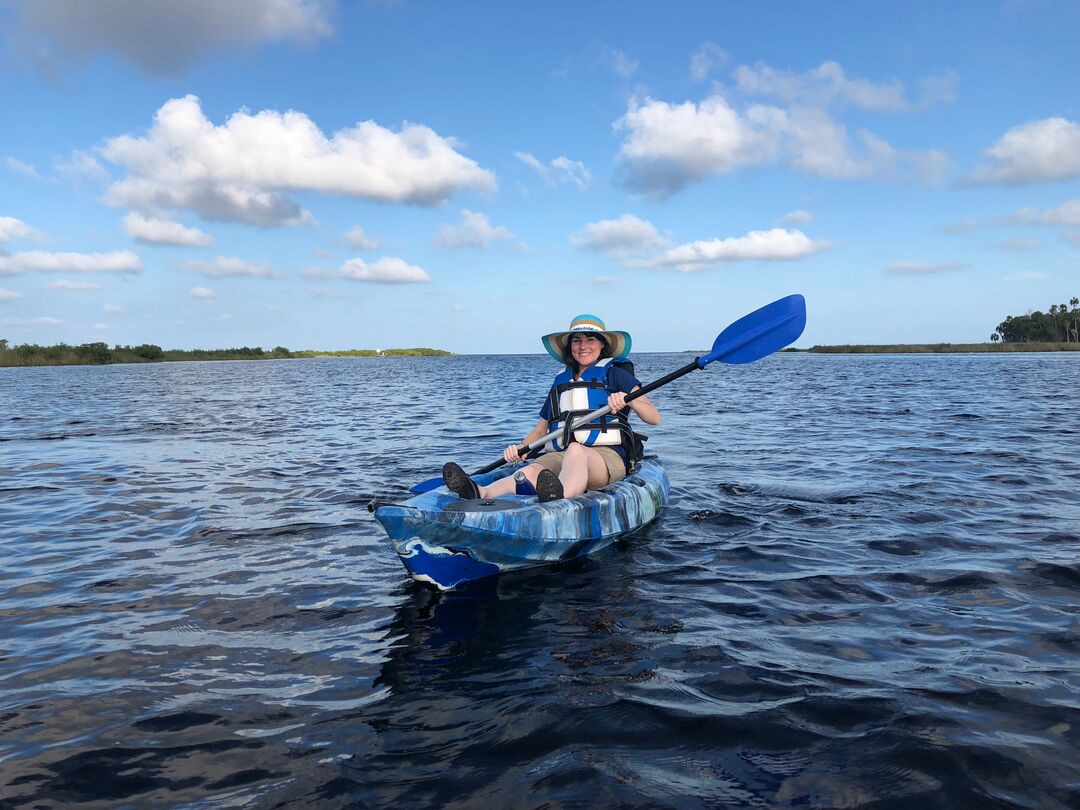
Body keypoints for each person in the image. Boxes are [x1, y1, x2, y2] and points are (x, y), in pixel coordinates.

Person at [442, 314, 661, 502]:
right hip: (563, 454)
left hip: (605, 458)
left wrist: (629, 399)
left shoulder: (617, 374)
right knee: (532, 469)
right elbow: (540, 431)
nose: (583, 346)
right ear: (570, 347)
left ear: (602, 344)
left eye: (590, 339)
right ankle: (481, 492)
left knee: (576, 451)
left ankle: (560, 497)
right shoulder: (561, 383)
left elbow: (653, 417)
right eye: (577, 341)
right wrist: (520, 449)